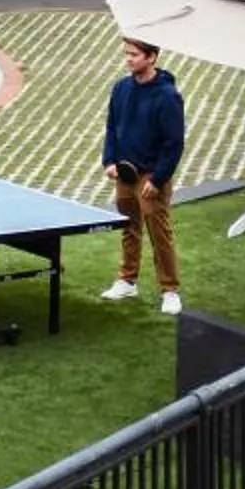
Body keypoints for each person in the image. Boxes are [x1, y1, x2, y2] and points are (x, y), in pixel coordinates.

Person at [99, 38, 186, 315]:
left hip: (151, 177)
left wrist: (157, 180)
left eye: (134, 55)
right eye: (126, 54)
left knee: (160, 235)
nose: (128, 59)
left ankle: (170, 291)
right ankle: (127, 281)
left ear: (151, 57)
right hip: (125, 173)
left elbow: (174, 143)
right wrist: (109, 161)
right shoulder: (121, 88)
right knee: (129, 228)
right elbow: (111, 126)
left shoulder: (168, 96)